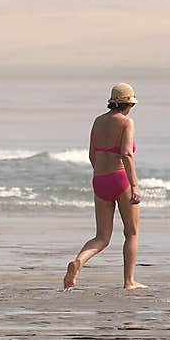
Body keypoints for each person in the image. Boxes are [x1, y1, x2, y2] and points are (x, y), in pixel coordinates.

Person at [65, 83, 146, 290]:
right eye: (131, 104)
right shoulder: (127, 123)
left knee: (102, 237)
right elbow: (127, 154)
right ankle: (129, 281)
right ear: (126, 103)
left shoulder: (98, 121)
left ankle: (79, 262)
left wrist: (101, 174)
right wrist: (135, 185)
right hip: (120, 179)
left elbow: (92, 154)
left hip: (99, 180)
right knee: (132, 233)